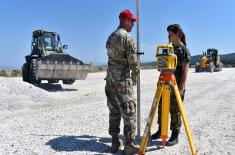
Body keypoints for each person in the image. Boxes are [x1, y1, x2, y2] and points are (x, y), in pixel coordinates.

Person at [105, 10, 139, 154]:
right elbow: (132, 62)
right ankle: (129, 144)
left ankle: (114, 142)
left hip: (110, 81)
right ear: (125, 20)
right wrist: (136, 73)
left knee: (114, 111)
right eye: (132, 21)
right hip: (123, 81)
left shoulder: (111, 37)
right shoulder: (127, 38)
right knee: (129, 111)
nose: (133, 24)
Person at [151, 24, 191, 146]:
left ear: (178, 34)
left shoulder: (183, 49)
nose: (169, 37)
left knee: (175, 110)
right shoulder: (168, 48)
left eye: (171, 34)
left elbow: (185, 69)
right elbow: (164, 64)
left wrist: (182, 87)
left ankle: (175, 134)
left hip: (176, 85)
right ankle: (160, 130)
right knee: (161, 107)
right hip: (166, 84)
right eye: (168, 35)